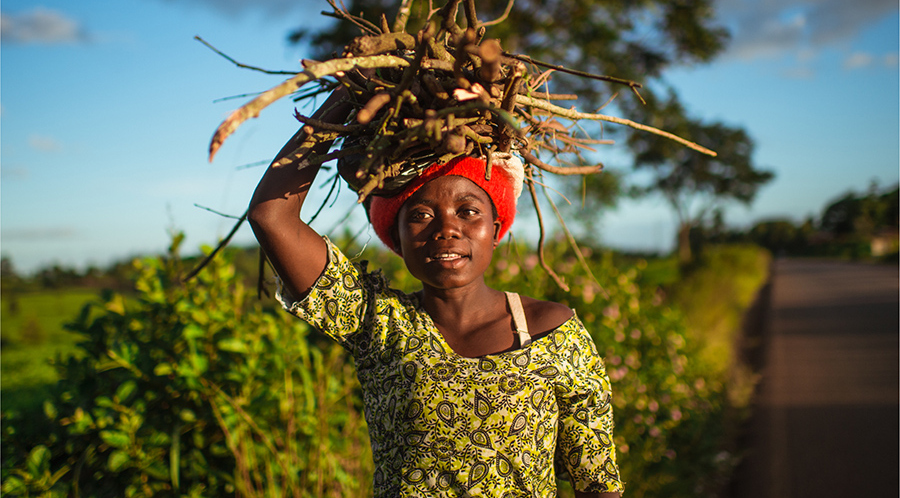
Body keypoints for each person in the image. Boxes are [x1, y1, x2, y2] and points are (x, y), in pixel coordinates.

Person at [247, 88, 624, 497]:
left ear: (495, 231)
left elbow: (597, 482)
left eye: (468, 211)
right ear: (397, 237)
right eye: (422, 215)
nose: (447, 229)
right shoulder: (377, 325)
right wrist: (347, 96)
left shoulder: (552, 332)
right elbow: (271, 215)